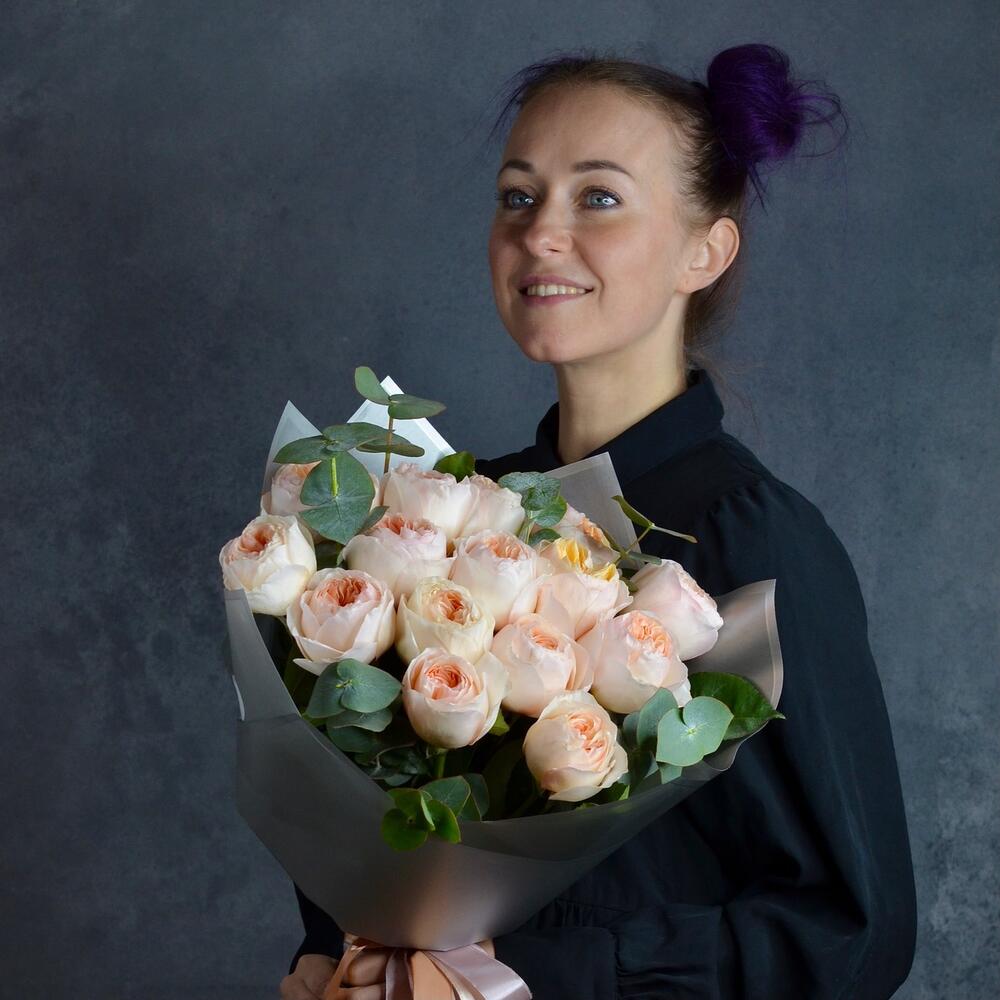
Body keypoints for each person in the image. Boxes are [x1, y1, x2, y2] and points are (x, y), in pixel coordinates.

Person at [281, 45, 917, 999]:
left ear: (705, 251)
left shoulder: (753, 539)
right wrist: (332, 956)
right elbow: (372, 819)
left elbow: (854, 933)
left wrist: (524, 979)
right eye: (518, 196)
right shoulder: (445, 518)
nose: (541, 233)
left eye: (599, 198)